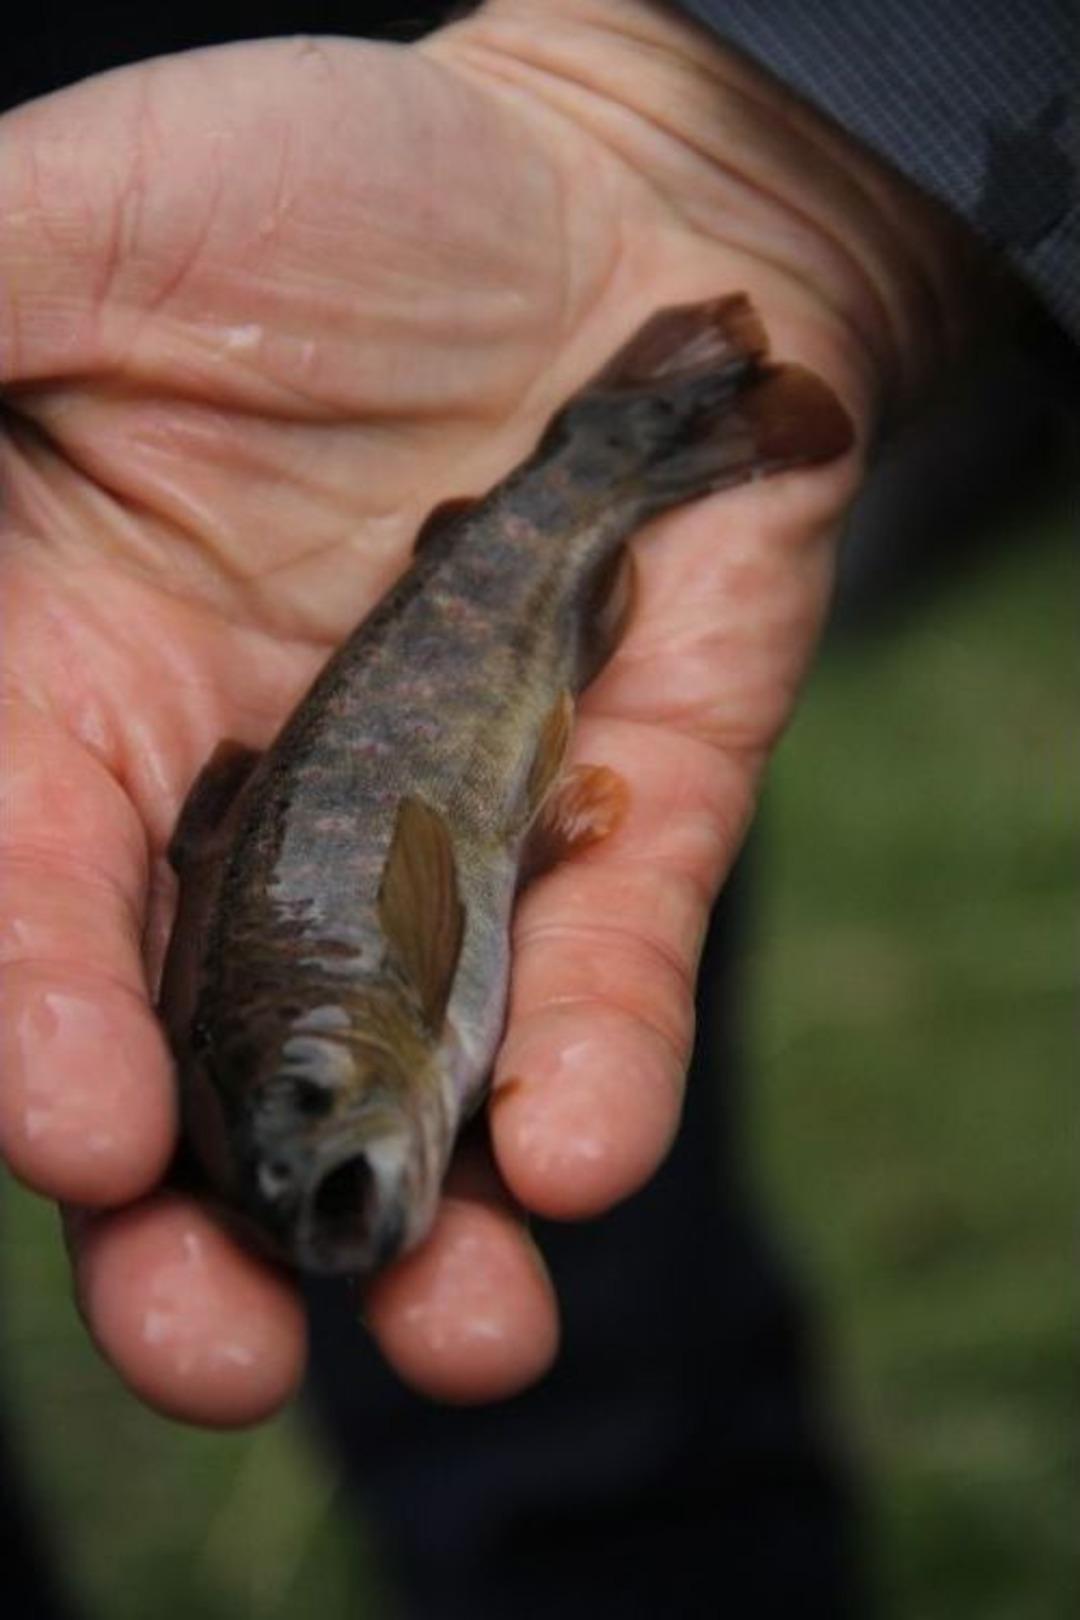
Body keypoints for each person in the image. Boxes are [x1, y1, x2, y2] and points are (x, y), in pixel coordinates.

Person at [0, 2, 1074, 1614]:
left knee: (612, 1389)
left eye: (312, 1136)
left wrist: (759, 139)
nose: (337, 1186)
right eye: (321, 1171)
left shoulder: (394, 1012)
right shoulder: (388, 1037)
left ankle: (629, 449)